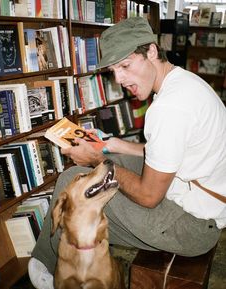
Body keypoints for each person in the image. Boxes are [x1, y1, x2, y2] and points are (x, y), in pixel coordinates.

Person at [28, 17, 226, 289]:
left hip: (192, 227)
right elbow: (164, 153)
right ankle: (72, 263)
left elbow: (148, 196)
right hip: (198, 204)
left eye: (125, 65)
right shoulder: (182, 84)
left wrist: (99, 160)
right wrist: (111, 145)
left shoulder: (169, 108)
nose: (119, 79)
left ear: (152, 52)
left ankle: (47, 269)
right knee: (90, 180)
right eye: (114, 70)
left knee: (74, 180)